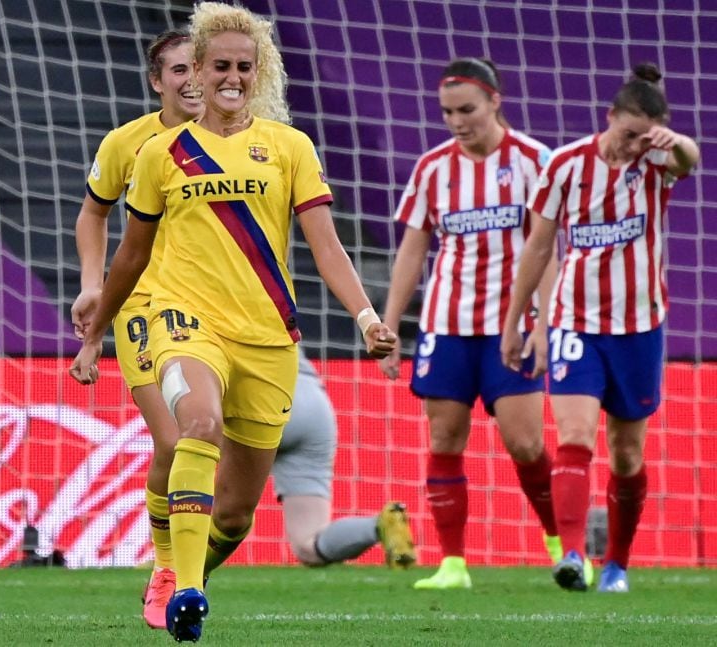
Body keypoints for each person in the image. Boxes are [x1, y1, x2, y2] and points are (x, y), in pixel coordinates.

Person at [70, 3, 396, 641]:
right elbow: (131, 253)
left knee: (238, 511)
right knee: (195, 426)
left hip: (267, 336)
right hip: (180, 318)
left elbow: (326, 245)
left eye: (244, 67)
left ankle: (186, 567)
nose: (232, 77)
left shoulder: (288, 146)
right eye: (220, 65)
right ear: (195, 68)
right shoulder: (159, 152)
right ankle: (182, 585)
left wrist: (366, 316)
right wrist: (95, 332)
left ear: (259, 71)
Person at [501, 63, 699, 593]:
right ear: (608, 117)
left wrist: (673, 140)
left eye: (644, 137)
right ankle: (571, 556)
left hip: (639, 327)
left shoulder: (658, 163)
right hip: (574, 320)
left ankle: (617, 563)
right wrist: (517, 321)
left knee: (627, 452)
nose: (633, 146)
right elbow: (538, 246)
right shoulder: (565, 165)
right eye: (627, 134)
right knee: (574, 436)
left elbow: (691, 159)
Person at [379, 57, 567, 590]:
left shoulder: (535, 161)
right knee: (444, 439)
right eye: (447, 112)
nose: (458, 121)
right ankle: (453, 565)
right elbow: (411, 254)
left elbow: (548, 250)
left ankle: (561, 545)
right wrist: (389, 329)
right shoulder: (433, 168)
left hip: (513, 324)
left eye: (467, 109)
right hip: (448, 324)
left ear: (495, 102)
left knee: (525, 443)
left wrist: (543, 324)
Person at [70, 28, 202, 630]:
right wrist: (94, 287)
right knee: (174, 442)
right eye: (178, 70)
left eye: (198, 67)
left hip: (217, 310)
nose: (193, 80)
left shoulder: (245, 139)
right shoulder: (128, 143)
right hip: (147, 307)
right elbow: (93, 211)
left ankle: (189, 560)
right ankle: (167, 567)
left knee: (216, 464)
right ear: (157, 81)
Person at [277, 349, 415, 570]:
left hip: (262, 400)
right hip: (313, 405)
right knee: (308, 545)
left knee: (221, 499)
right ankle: (380, 525)